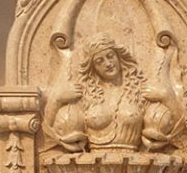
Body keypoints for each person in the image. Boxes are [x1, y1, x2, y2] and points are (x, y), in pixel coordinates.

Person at [44, 34, 179, 152]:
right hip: (91, 165)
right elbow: (46, 132)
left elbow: (179, 124)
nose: (108, 64)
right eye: (99, 61)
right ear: (93, 68)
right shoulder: (86, 94)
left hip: (136, 165)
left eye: (110, 56)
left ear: (119, 57)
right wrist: (57, 100)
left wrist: (166, 97)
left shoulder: (138, 91)